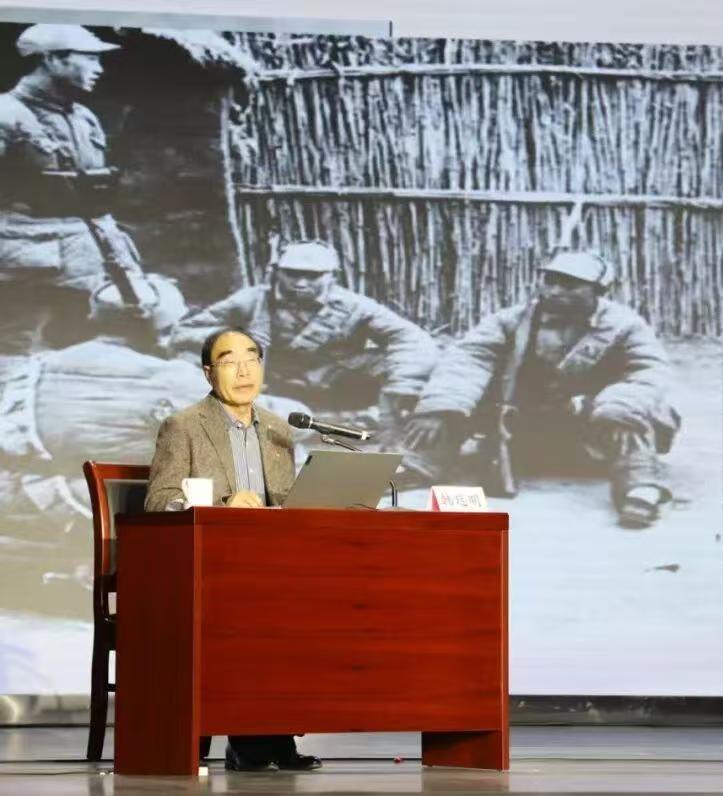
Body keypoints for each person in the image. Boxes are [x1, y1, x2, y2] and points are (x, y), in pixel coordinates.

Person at [144, 327, 321, 772]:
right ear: (209, 373)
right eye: (229, 361)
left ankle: (275, 732)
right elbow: (160, 501)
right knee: (252, 610)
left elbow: (286, 505)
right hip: (209, 569)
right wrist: (223, 506)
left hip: (269, 568)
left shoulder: (279, 431)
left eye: (252, 359)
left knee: (309, 606)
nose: (244, 371)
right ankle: (255, 740)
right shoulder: (183, 426)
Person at [403, 251, 680, 529]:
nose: (555, 291)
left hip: (591, 426)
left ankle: (640, 489)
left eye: (569, 285)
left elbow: (648, 370)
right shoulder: (512, 320)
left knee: (632, 414)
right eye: (550, 281)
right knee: (452, 403)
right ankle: (417, 466)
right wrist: (442, 406)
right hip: (525, 422)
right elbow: (469, 359)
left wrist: (613, 404)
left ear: (598, 291)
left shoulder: (624, 325)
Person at [167, 240, 437, 439]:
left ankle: (390, 436)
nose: (301, 282)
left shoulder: (355, 306)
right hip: (265, 380)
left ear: (332, 277)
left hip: (331, 380)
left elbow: (411, 339)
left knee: (398, 363)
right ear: (277, 272)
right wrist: (237, 342)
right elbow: (184, 332)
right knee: (192, 359)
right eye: (293, 273)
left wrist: (404, 385)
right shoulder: (252, 300)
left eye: (313, 276)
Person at [0, 24, 152, 359]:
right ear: (52, 59)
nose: (99, 69)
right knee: (17, 351)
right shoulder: (6, 114)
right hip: (29, 260)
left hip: (92, 253)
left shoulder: (84, 117)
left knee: (83, 350)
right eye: (90, 59)